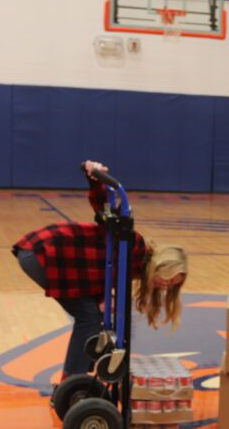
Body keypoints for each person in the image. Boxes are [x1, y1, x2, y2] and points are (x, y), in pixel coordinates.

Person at [13, 161, 188, 382]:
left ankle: (77, 378)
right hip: (44, 253)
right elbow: (105, 211)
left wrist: (103, 297)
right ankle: (73, 382)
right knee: (88, 317)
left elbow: (99, 270)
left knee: (93, 315)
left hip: (52, 258)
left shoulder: (134, 267)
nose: (165, 286)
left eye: (171, 286)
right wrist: (95, 180)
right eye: (168, 279)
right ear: (163, 265)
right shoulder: (134, 246)